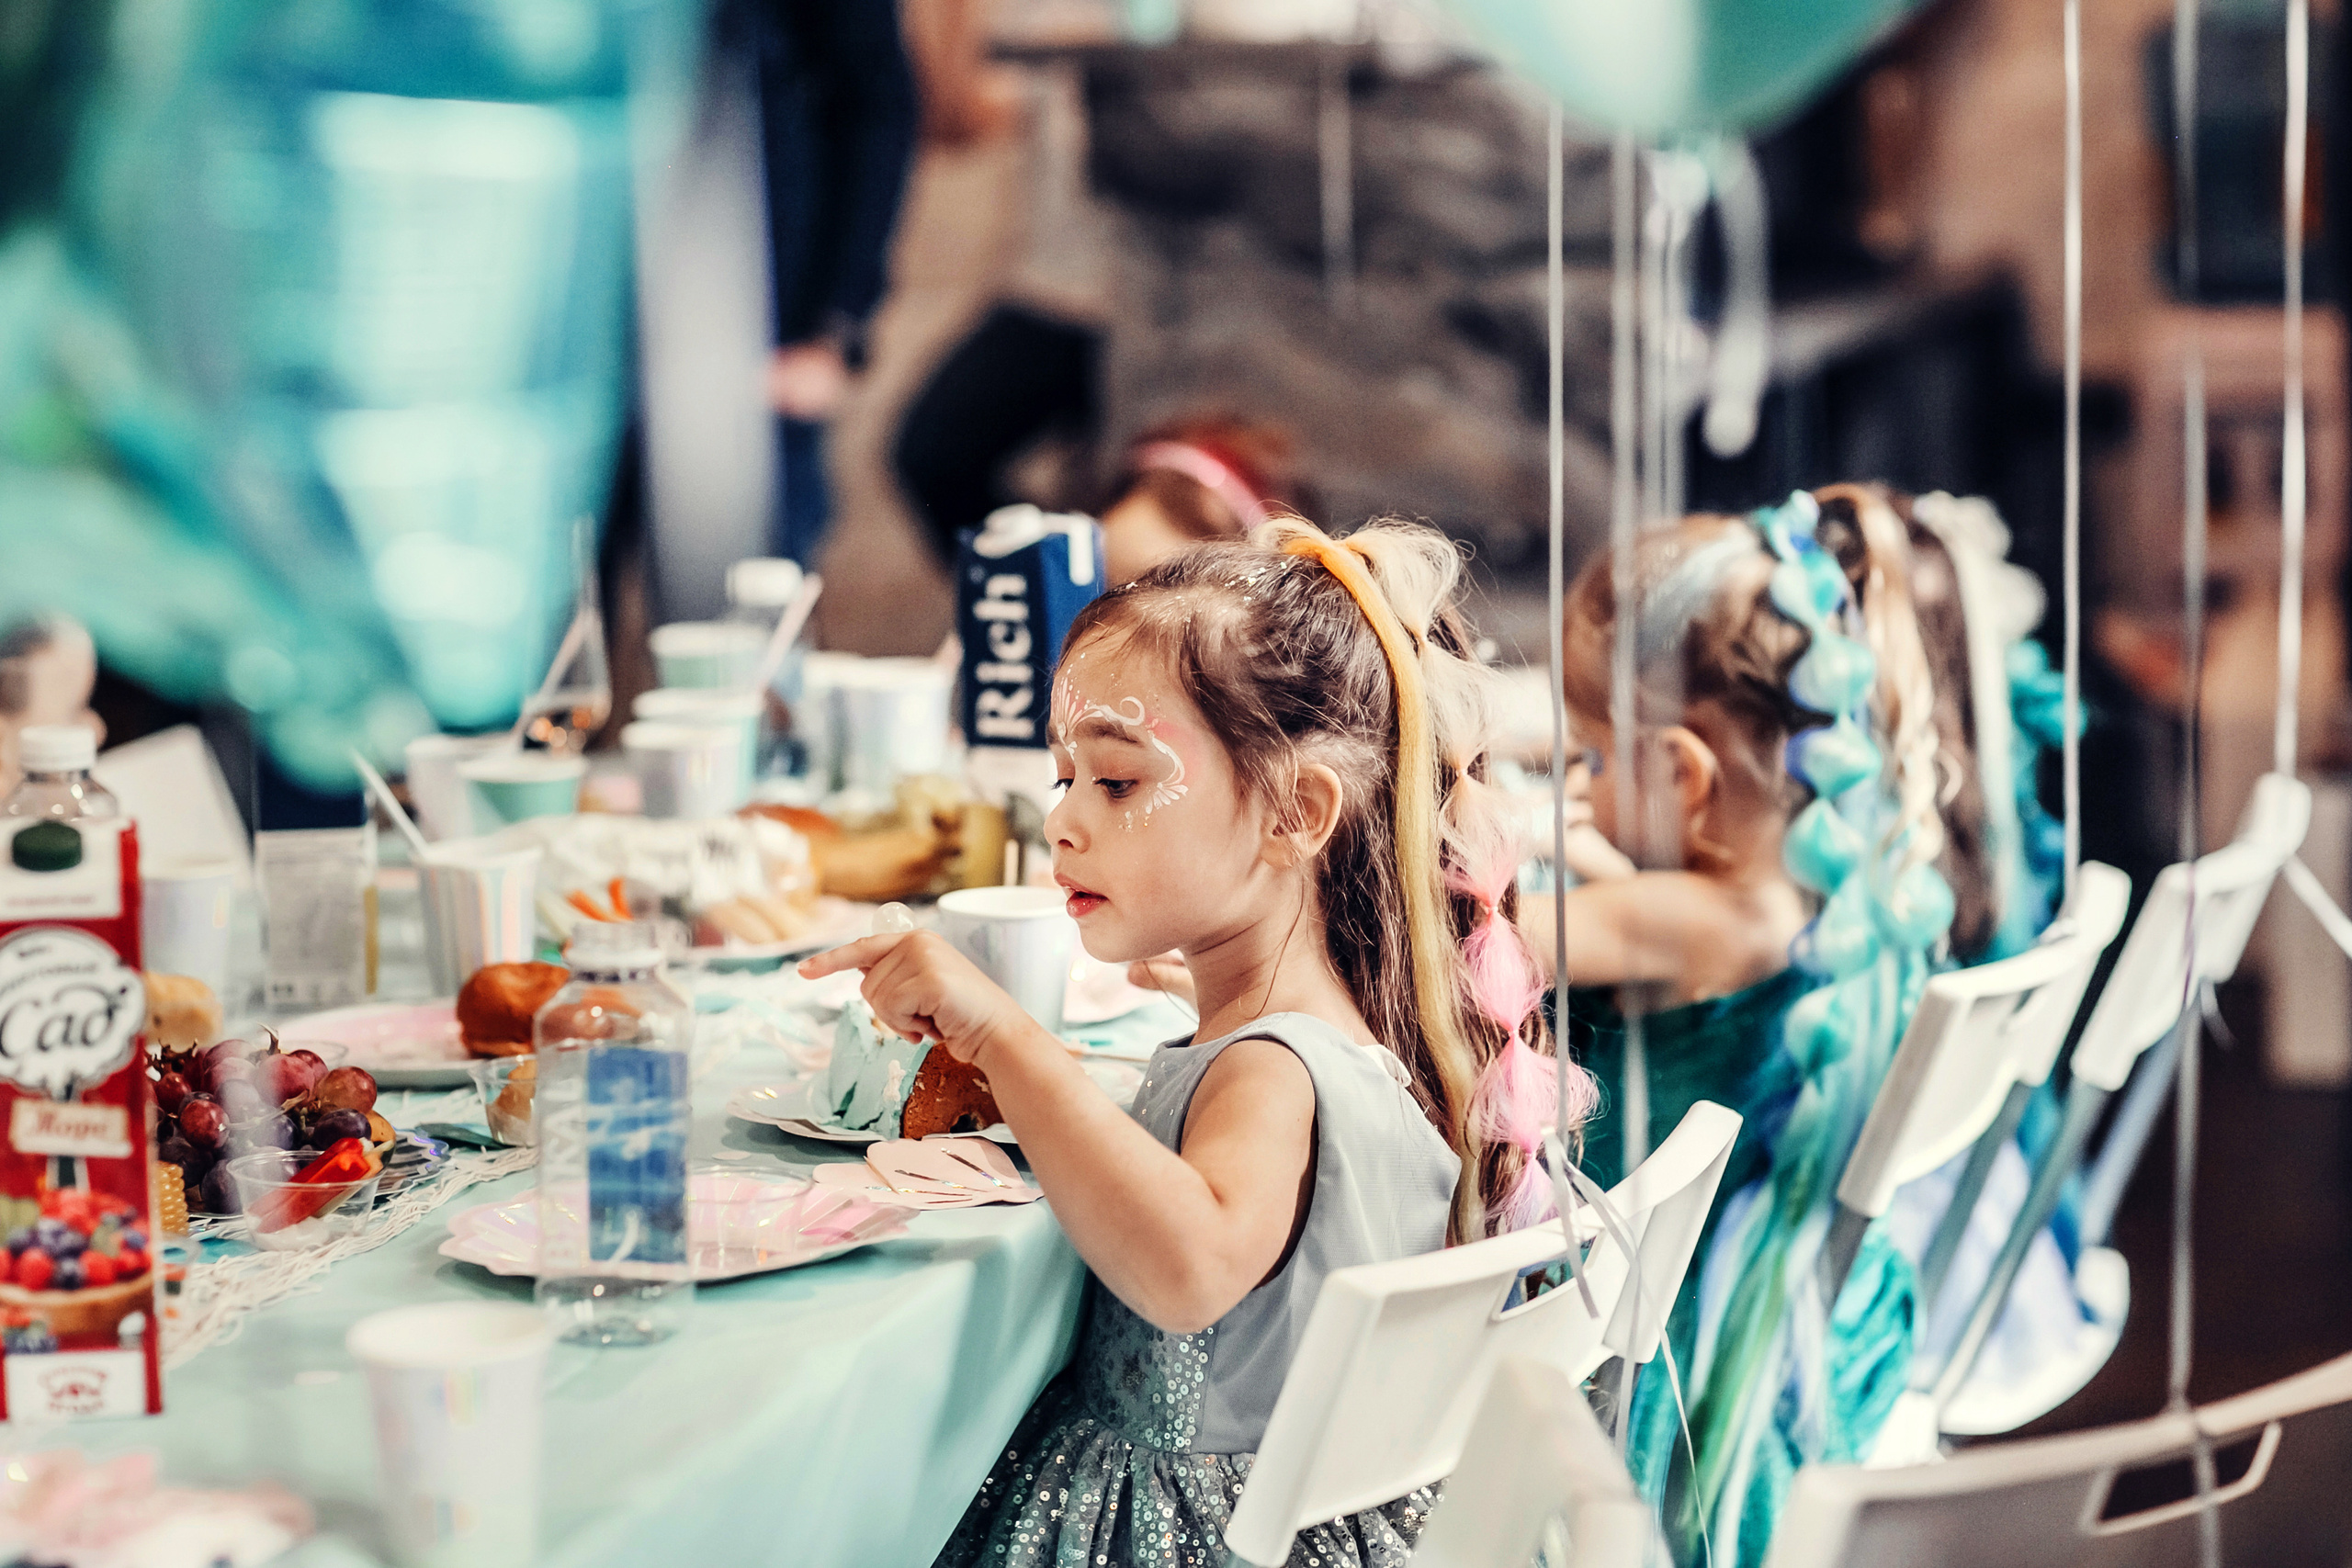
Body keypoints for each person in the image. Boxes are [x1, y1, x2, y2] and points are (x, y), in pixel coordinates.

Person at [804, 517, 1592, 1568]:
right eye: (1063, 780)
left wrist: (1003, 1034)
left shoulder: (1270, 1071)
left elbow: (1191, 1265)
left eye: (1118, 782)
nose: (1065, 823)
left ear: (1294, 813)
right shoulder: (1330, 1024)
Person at [1521, 491, 1952, 1566]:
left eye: (1592, 758)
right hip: (1792, 1294)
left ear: (1683, 774)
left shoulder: (1680, 922)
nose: (1576, 781)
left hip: (1639, 1341)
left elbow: (1424, 946)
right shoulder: (1811, 892)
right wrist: (1610, 865)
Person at [751, 0, 919, 563]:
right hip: (582, 317)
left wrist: (835, 326)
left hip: (766, 320)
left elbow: (875, 104)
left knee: (757, 598)